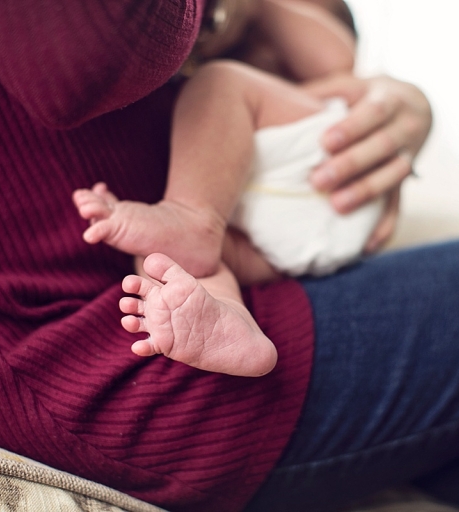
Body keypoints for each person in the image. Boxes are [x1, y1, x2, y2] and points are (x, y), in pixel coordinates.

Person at [0, 2, 459, 512]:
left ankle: (223, 302)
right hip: (58, 342)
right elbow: (65, 54)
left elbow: (333, 57)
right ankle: (222, 304)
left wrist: (402, 104)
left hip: (155, 279)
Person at [71, 0, 380, 377]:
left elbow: (336, 57)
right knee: (167, 258)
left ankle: (190, 215)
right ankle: (232, 322)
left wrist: (265, 8)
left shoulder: (326, 81)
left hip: (321, 160)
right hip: (292, 240)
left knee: (219, 82)